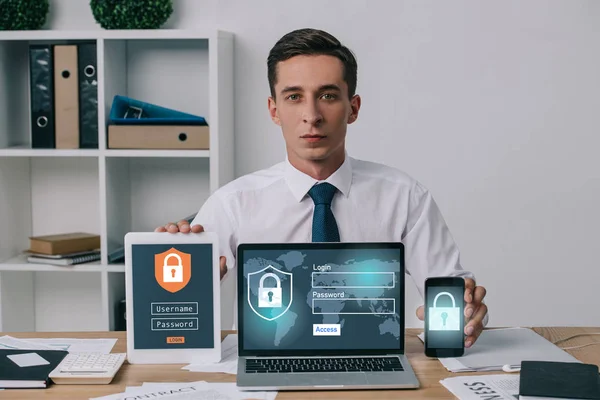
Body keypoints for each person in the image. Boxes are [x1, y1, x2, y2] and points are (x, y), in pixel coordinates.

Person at [155, 28, 488, 348]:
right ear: (274, 110)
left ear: (353, 108)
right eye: (294, 97)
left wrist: (468, 314)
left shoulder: (405, 197)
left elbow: (452, 291)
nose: (311, 115)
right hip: (270, 362)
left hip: (374, 360)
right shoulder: (233, 204)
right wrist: (177, 278)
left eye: (327, 96)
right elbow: (178, 306)